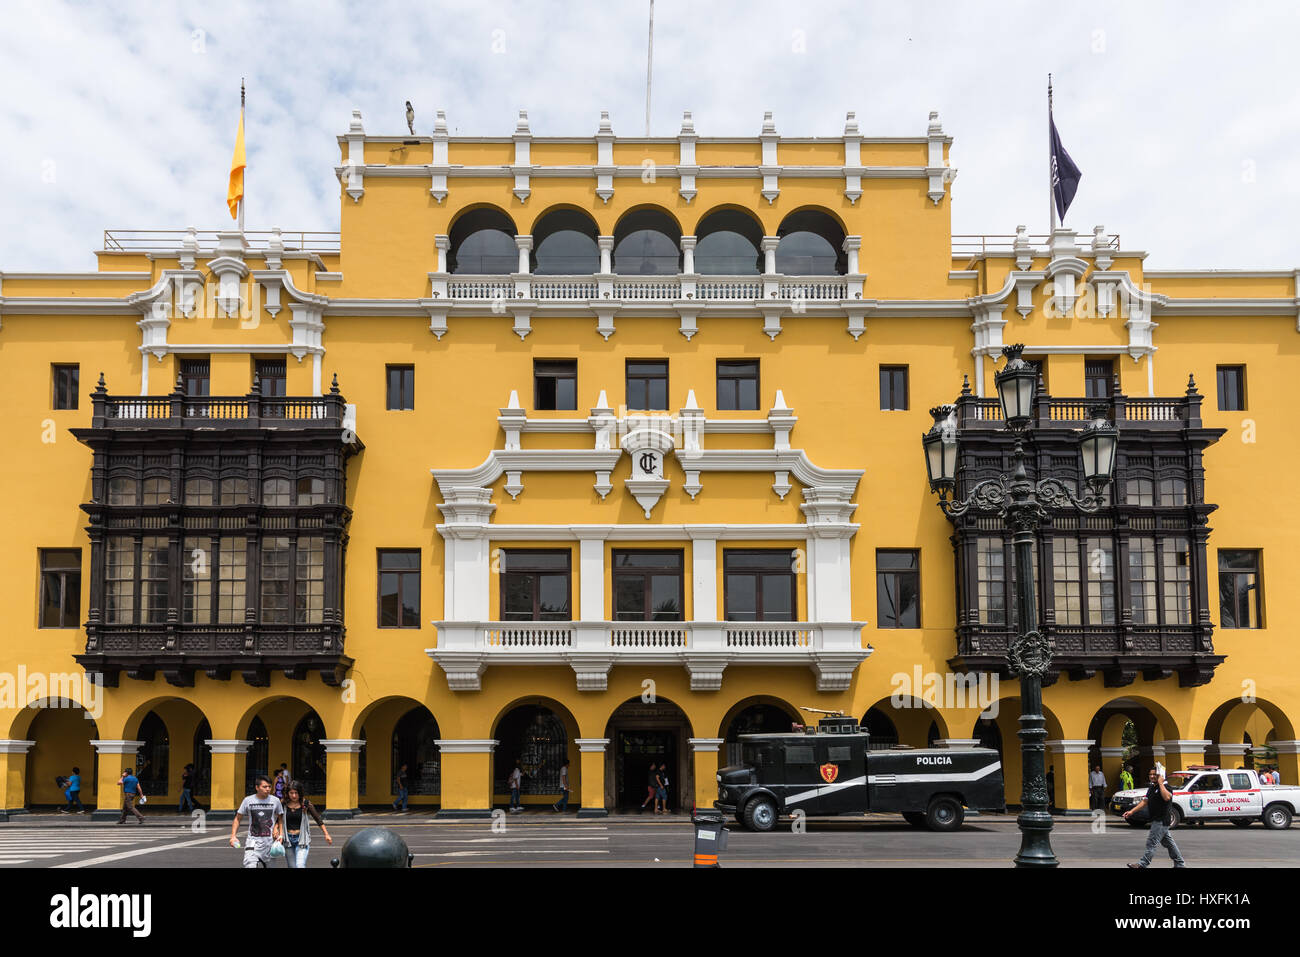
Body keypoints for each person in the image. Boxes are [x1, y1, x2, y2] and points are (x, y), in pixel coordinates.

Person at [1124, 768, 1186, 869]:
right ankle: (1180, 864)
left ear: (1160, 776)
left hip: (1161, 820)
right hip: (1156, 819)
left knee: (1151, 842)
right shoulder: (1152, 788)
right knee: (1169, 843)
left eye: (1155, 775)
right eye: (1150, 774)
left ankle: (1142, 864)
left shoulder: (1166, 787)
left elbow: (1166, 797)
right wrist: (1132, 811)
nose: (1152, 776)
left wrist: (1161, 783)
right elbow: (1145, 801)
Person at [230, 774, 285, 868]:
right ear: (257, 787)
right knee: (250, 865)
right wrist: (233, 836)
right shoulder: (248, 800)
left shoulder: (275, 800)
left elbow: (280, 818)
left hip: (269, 844)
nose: (268, 789)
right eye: (264, 787)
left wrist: (281, 834)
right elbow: (237, 818)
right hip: (252, 843)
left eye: (269, 787)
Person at [282, 780, 332, 868]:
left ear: (300, 793)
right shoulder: (283, 804)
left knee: (300, 865)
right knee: (292, 866)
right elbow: (278, 819)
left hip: (302, 839)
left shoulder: (305, 804)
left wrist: (326, 834)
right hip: (287, 840)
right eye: (291, 793)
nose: (294, 795)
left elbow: (318, 819)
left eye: (296, 793)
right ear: (287, 793)